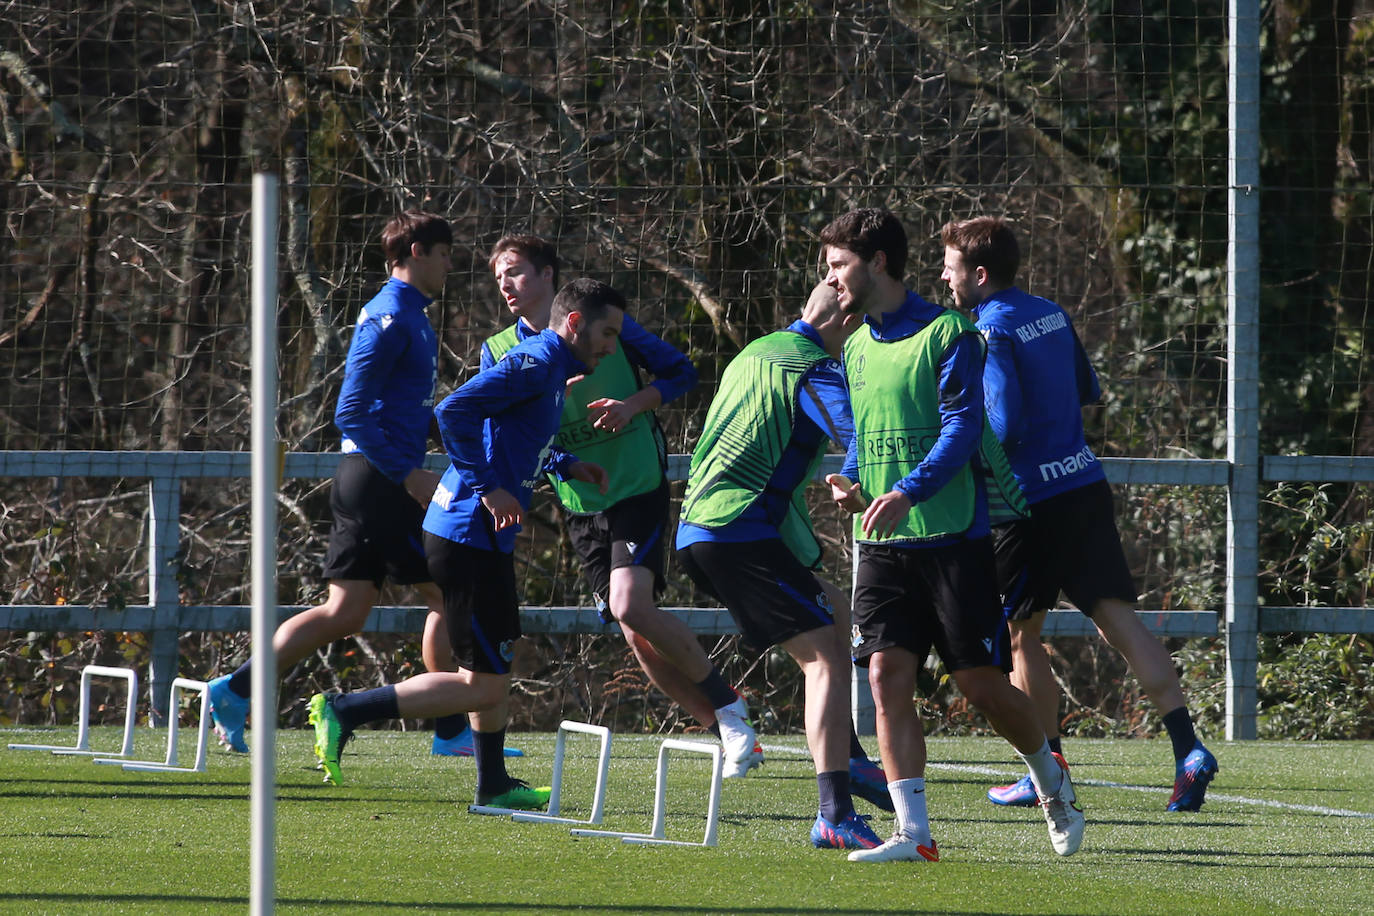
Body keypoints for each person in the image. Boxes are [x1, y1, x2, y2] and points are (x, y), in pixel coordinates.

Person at [821, 207, 1085, 863]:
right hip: (881, 545)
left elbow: (964, 426)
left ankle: (1051, 780)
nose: (830, 281)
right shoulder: (854, 345)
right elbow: (861, 436)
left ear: (877, 262)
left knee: (981, 687)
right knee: (885, 676)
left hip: (951, 540)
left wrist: (908, 491)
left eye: (838, 266)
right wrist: (849, 480)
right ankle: (914, 834)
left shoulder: (950, 333)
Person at [206, 209, 519, 759]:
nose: (450, 266)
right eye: (444, 254)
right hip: (379, 484)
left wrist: (452, 430)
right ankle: (451, 730)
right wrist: (407, 473)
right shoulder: (391, 317)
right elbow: (350, 411)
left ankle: (233, 690)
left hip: (370, 480)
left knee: (345, 612)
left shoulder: (411, 315)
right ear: (417, 252)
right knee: (450, 595)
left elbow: (399, 410)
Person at [305, 278, 622, 809]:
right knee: (483, 684)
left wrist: (568, 464)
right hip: (467, 532)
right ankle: (345, 710)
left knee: (493, 672)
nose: (611, 347)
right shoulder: (536, 363)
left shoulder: (551, 370)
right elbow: (454, 412)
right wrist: (489, 488)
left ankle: (493, 784)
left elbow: (515, 437)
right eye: (607, 333)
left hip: (479, 535)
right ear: (574, 324)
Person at [939, 215, 1219, 812]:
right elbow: (1088, 388)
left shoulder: (989, 329)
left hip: (1028, 501)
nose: (944, 278)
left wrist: (964, 446)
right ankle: (1188, 748)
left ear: (980, 274)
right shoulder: (1050, 312)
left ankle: (1048, 769)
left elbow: (1004, 425)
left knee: (1021, 636)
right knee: (1118, 620)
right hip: (1083, 484)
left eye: (950, 268)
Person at [481, 234, 762, 778]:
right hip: (581, 501)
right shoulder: (499, 350)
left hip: (636, 484)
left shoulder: (605, 324)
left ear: (547, 274)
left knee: (632, 606)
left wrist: (633, 405)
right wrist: (559, 450)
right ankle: (728, 729)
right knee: (634, 630)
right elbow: (509, 434)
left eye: (515, 272)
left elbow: (682, 372)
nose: (506, 285)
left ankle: (729, 706)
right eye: (498, 278)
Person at [676, 282, 891, 850]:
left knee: (834, 610)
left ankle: (850, 756)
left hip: (703, 526)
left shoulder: (758, 350)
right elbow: (862, 436)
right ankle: (834, 813)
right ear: (849, 323)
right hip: (736, 530)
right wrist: (866, 482)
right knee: (824, 658)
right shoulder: (812, 367)